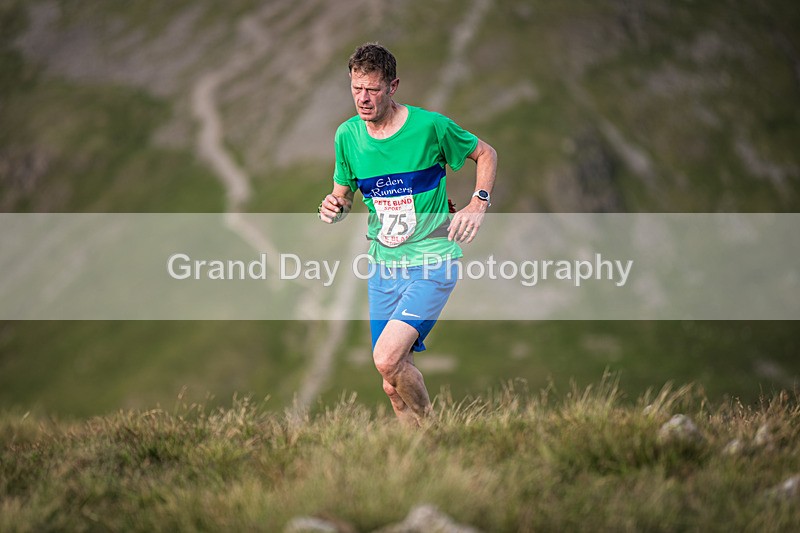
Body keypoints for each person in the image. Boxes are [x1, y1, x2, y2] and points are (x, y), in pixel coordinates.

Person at [318, 42, 497, 427]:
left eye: (372, 89)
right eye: (355, 89)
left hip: (432, 258)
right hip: (384, 266)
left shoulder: (430, 127)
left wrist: (478, 202)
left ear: (393, 86)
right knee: (391, 382)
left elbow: (486, 153)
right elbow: (342, 196)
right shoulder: (347, 136)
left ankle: (436, 433)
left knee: (386, 359)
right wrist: (333, 208)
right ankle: (418, 463)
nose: (363, 99)